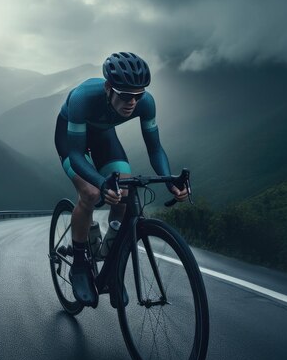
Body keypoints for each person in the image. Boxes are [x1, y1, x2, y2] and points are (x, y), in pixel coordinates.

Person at [54, 52, 188, 307]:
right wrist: (101, 183)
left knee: (124, 194)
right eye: (125, 95)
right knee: (91, 194)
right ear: (108, 88)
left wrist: (170, 180)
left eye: (138, 95)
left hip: (104, 136)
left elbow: (155, 149)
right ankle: (80, 266)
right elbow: (76, 154)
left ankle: (113, 264)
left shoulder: (145, 103)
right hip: (71, 138)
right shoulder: (83, 98)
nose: (132, 102)